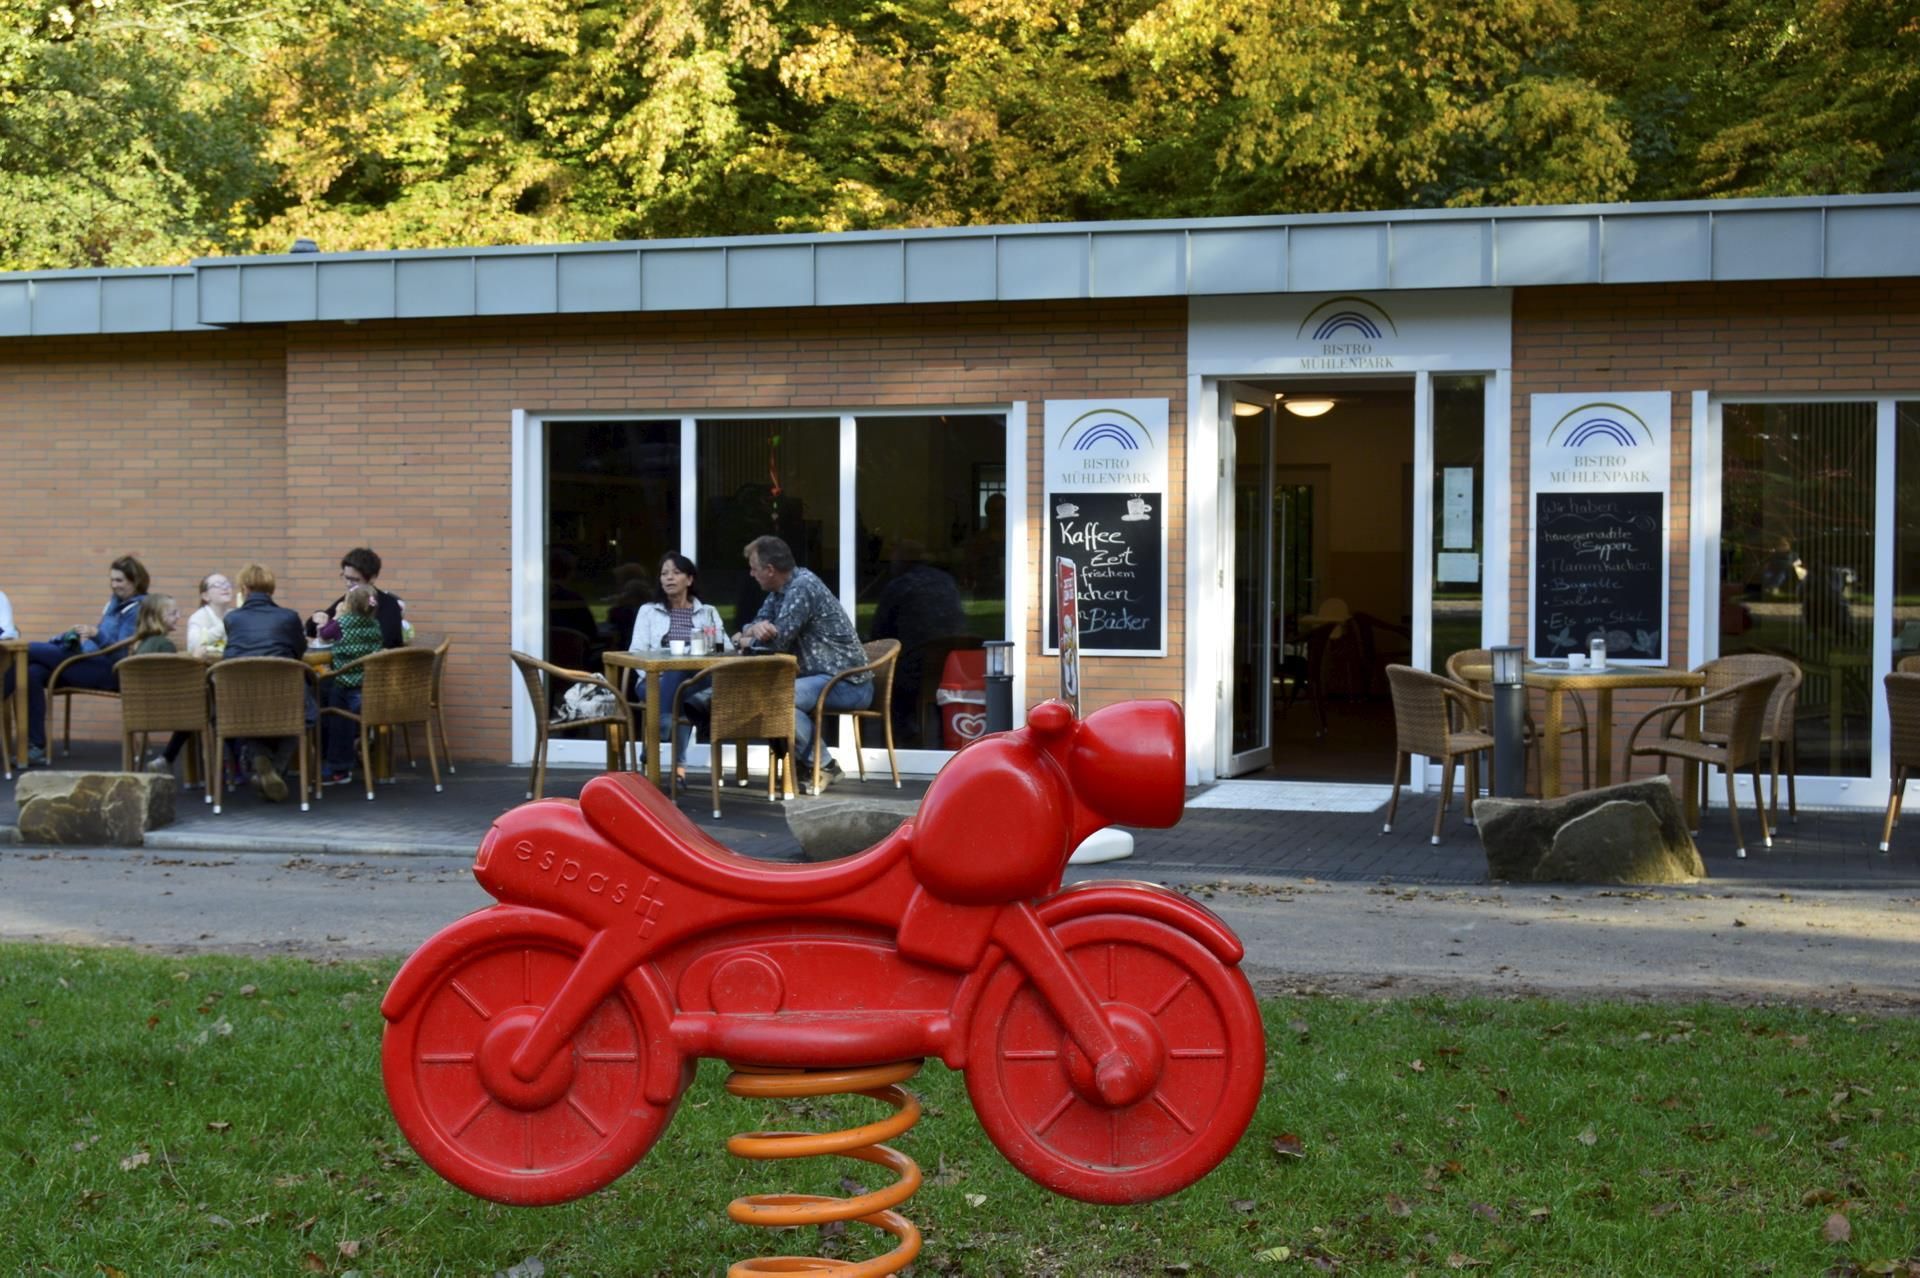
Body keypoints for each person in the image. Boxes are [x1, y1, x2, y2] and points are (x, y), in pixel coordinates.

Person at [734, 535, 872, 794]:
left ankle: (825, 765)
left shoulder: (802, 587)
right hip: (819, 679)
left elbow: (778, 642)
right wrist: (754, 628)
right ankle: (802, 765)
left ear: (770, 570)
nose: (751, 574)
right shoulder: (780, 591)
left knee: (778, 698)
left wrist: (744, 639)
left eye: (753, 568)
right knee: (766, 694)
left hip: (847, 682)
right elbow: (756, 623)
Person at [8, 555, 147, 767]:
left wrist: (96, 634)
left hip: (110, 671)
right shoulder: (114, 604)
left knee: (28, 649)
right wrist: (79, 638)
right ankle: (37, 746)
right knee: (31, 672)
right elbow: (101, 641)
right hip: (86, 661)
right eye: (112, 580)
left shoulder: (139, 609)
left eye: (119, 580)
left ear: (135, 580)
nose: (114, 585)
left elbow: (122, 654)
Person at [627, 553, 726, 783]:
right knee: (680, 683)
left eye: (676, 572)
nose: (669, 578)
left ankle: (658, 732)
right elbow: (636, 651)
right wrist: (656, 672)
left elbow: (725, 648)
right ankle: (679, 765)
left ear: (689, 579)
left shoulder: (708, 612)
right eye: (664, 573)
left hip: (695, 679)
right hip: (653, 681)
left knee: (685, 682)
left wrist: (709, 646)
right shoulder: (648, 611)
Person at [223, 563, 308, 802]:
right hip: (285, 699)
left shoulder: (232, 619)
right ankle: (275, 768)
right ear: (271, 589)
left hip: (241, 701)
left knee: (244, 715)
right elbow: (298, 652)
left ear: (244, 588)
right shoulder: (289, 617)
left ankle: (261, 759)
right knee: (302, 713)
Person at [871, 540, 968, 746]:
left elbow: (880, 630)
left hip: (917, 667)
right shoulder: (946, 581)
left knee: (889, 681)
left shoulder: (900, 585)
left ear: (902, 562)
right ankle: (943, 741)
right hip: (949, 664)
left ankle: (903, 740)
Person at [321, 585, 386, 787]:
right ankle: (360, 748)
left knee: (337, 721)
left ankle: (338, 767)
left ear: (348, 604)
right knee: (349, 722)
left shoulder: (342, 623)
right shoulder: (375, 624)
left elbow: (324, 634)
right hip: (367, 686)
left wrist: (336, 616)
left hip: (344, 683)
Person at [307, 547, 408, 649]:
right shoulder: (348, 599)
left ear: (372, 578)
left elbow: (390, 643)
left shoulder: (389, 605)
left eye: (354, 580)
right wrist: (318, 616)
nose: (348, 584)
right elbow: (311, 630)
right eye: (346, 577)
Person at [186, 572, 236, 658]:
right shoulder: (198, 617)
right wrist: (224, 625)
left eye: (227, 583)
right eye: (217, 585)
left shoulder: (236, 615)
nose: (225, 587)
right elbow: (193, 645)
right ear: (205, 596)